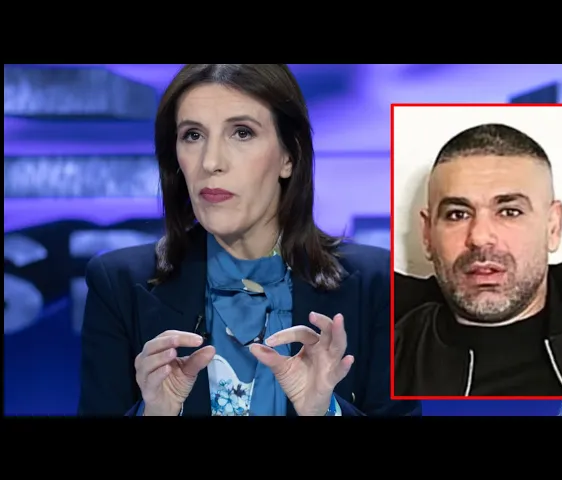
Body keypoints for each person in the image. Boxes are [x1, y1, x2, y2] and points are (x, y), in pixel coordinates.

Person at [78, 64, 420, 417]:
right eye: (193, 135)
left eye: (242, 133)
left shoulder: (378, 284)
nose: (211, 162)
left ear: (289, 156)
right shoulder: (119, 284)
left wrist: (324, 410)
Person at [394, 123, 562, 397]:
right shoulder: (385, 344)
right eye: (457, 214)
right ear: (427, 234)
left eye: (509, 212)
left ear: (553, 227)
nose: (480, 237)